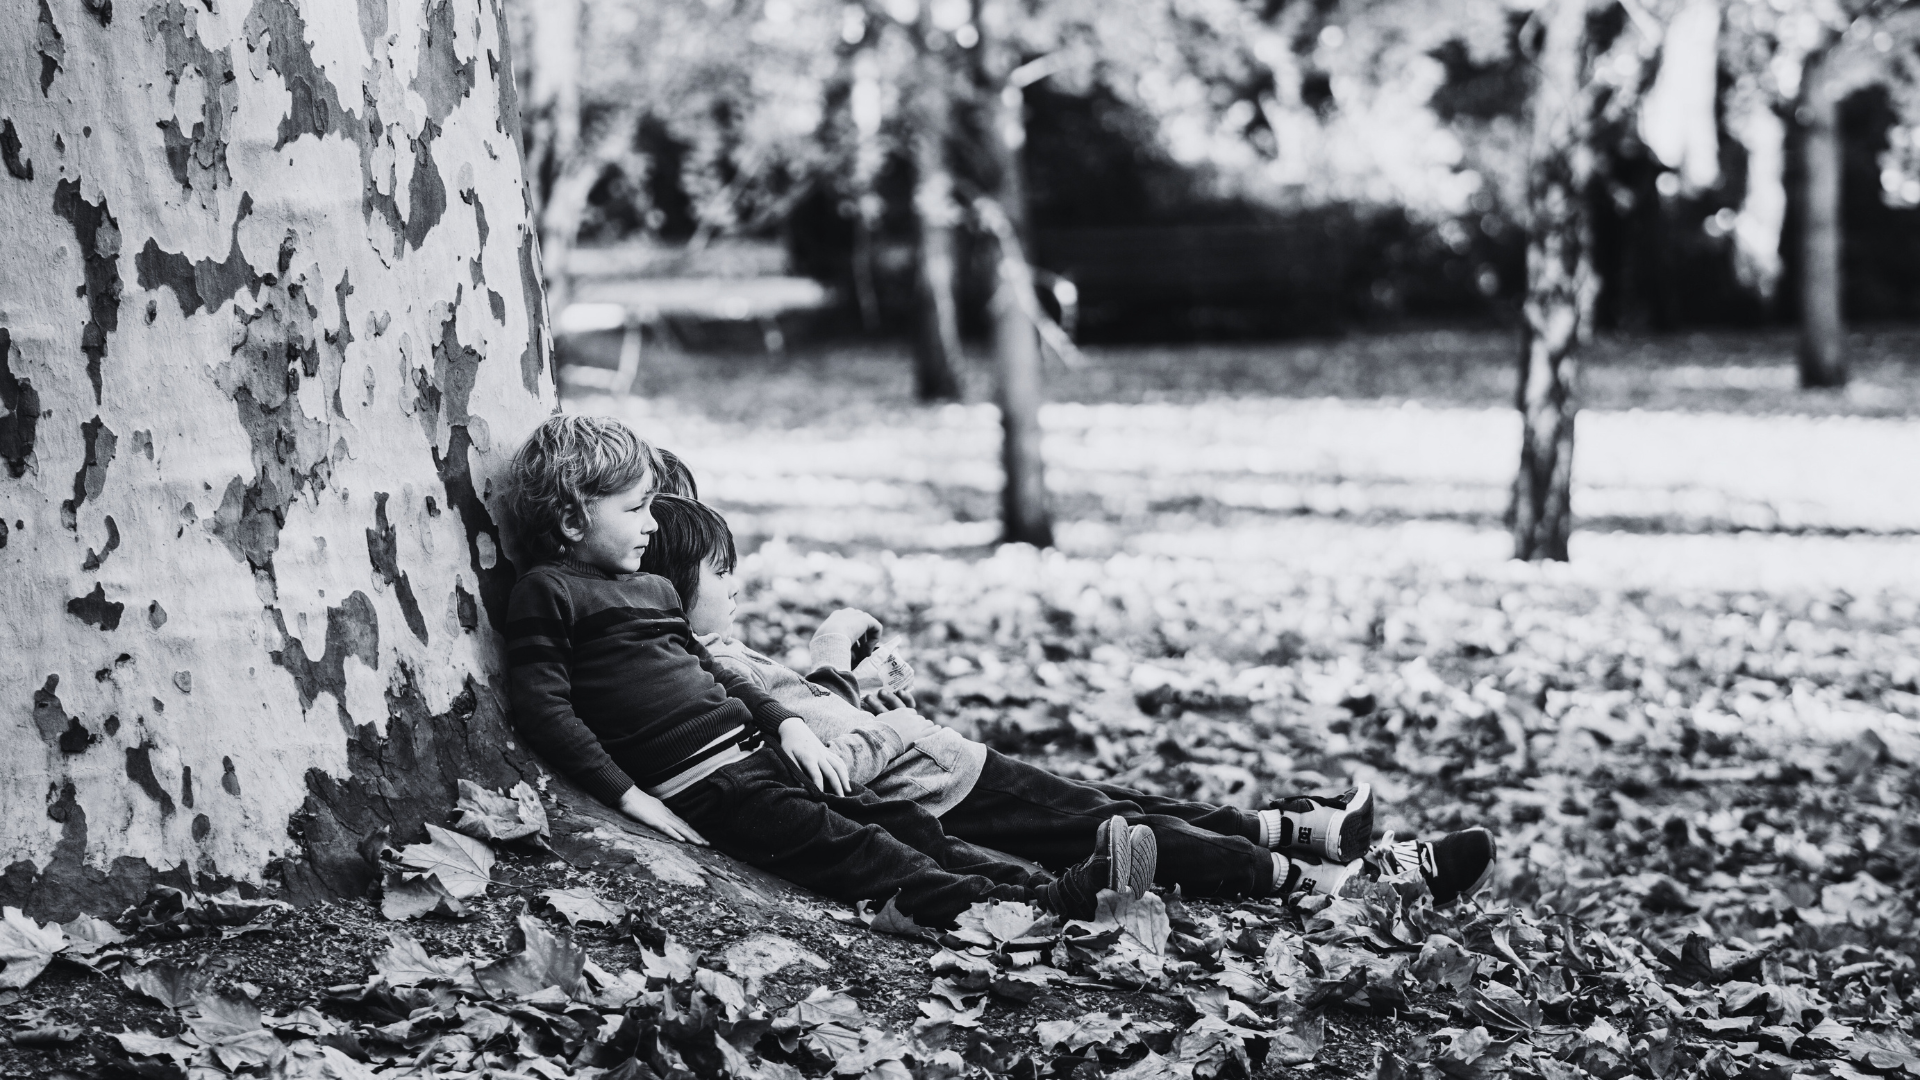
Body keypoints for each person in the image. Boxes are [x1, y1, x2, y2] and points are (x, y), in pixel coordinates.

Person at [635, 491, 1498, 907]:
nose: (739, 586)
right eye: (722, 573)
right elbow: (834, 752)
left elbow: (824, 725)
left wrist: (849, 685)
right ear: (671, 584)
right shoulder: (703, 671)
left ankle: (1303, 833)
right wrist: (858, 692)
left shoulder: (710, 652)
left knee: (1126, 807)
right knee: (1134, 830)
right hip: (944, 791)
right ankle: (1338, 884)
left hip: (949, 771)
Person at [502, 415, 1157, 929]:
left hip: (764, 757)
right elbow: (545, 709)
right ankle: (1026, 917)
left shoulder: (650, 591)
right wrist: (627, 796)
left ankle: (1051, 893)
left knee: (906, 827)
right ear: (570, 518)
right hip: (715, 788)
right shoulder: (549, 593)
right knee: (871, 857)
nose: (652, 523)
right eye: (636, 509)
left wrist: (788, 726)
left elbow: (719, 674)